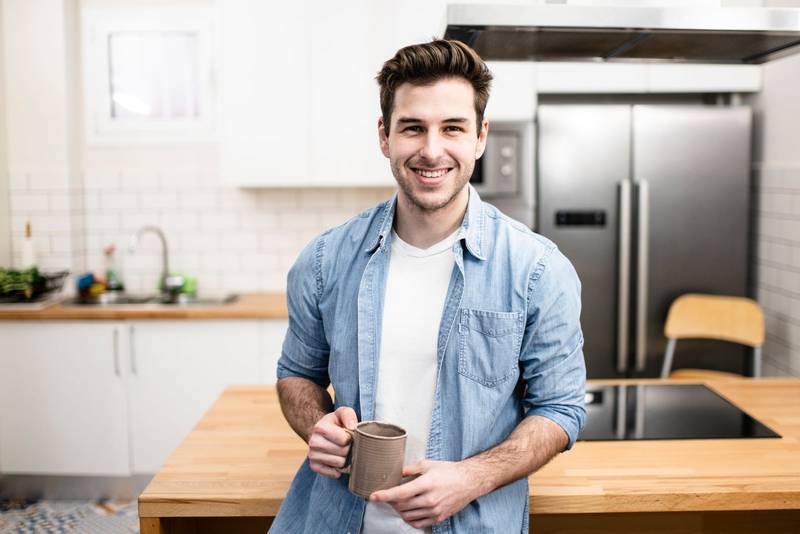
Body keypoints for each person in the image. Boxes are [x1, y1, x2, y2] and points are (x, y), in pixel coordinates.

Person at [271, 39, 586, 534]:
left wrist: (471, 477)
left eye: (453, 128)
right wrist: (317, 423)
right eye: (413, 128)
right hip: (334, 521)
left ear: (480, 137)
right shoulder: (325, 261)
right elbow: (295, 374)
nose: (431, 150)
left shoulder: (537, 270)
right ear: (385, 135)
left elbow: (561, 409)